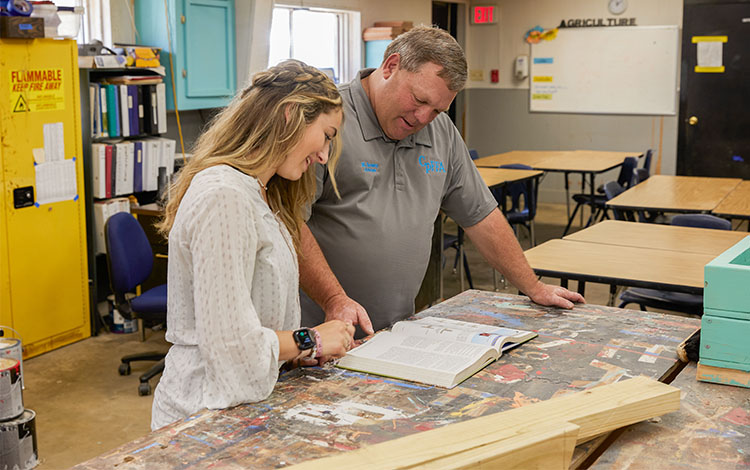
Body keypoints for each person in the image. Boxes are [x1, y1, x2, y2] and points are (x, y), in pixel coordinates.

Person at [299, 26, 584, 336]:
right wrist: (334, 299)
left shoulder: (441, 132)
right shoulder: (328, 120)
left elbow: (480, 215)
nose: (423, 118)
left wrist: (533, 286)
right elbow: (289, 224)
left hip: (394, 331)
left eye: (437, 109)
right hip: (320, 334)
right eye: (419, 100)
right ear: (390, 66)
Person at [151, 60, 355, 430]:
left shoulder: (261, 193)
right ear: (291, 114)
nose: (324, 155)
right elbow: (232, 351)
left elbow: (252, 320)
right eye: (326, 134)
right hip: (201, 418)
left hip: (239, 408)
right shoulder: (224, 197)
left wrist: (292, 356)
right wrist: (311, 339)